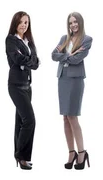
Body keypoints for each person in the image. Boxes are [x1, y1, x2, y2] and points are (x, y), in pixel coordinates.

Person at [51, 12, 92, 170]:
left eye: (75, 22)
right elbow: (53, 55)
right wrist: (71, 54)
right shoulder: (64, 39)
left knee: (73, 116)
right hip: (62, 79)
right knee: (65, 117)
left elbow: (77, 60)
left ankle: (82, 152)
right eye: (70, 23)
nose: (73, 25)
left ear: (80, 23)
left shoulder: (86, 40)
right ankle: (71, 152)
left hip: (75, 80)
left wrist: (66, 55)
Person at [5, 11, 39, 170]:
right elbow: (16, 59)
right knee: (30, 120)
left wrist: (28, 61)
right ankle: (19, 155)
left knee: (21, 122)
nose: (24, 25)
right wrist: (28, 61)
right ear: (15, 23)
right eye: (21, 22)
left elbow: (36, 62)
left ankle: (24, 157)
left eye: (26, 22)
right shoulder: (11, 40)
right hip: (15, 85)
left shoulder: (28, 41)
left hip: (27, 85)